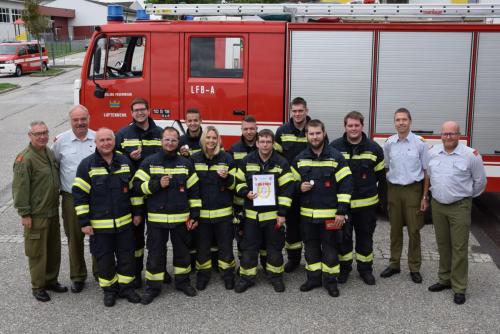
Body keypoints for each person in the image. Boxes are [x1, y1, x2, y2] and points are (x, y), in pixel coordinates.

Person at [73, 128, 142, 307]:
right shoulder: (86, 165)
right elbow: (80, 195)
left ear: (114, 141)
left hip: (125, 223)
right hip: (100, 226)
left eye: (109, 140)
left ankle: (126, 287)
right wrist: (84, 222)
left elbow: (134, 190)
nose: (106, 143)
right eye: (101, 140)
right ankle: (109, 290)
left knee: (127, 256)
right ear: (95, 143)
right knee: (104, 259)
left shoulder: (125, 162)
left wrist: (137, 213)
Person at [133, 127, 201, 304]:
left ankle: (183, 282)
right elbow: (137, 186)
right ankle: (153, 287)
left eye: (173, 140)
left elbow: (194, 192)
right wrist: (156, 184)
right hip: (157, 220)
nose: (170, 143)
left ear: (178, 142)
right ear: (161, 141)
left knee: (182, 253)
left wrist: (194, 215)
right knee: (155, 255)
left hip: (181, 220)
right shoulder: (150, 162)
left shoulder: (186, 164)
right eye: (167, 140)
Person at [426, 121, 486, 305]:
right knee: (443, 244)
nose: (448, 137)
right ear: (441, 135)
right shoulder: (432, 152)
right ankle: (444, 279)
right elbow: (429, 175)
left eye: (452, 134)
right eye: (445, 134)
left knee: (459, 247)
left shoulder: (471, 155)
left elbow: (480, 182)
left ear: (459, 135)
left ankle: (459, 287)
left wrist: (466, 198)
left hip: (460, 206)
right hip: (438, 205)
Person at [292, 119, 353, 297]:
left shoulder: (336, 157)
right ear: (306, 136)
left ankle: (330, 282)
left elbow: (346, 184)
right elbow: (289, 183)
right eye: (311, 133)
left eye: (318, 133)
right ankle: (313, 279)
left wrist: (341, 211)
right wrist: (298, 187)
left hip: (330, 217)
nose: (315, 136)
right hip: (307, 217)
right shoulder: (300, 159)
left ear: (324, 133)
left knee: (330, 250)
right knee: (310, 249)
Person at [13, 121, 67, 302]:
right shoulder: (25, 159)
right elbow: (20, 189)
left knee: (53, 249)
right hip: (36, 215)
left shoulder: (48, 152)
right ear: (30, 136)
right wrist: (25, 214)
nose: (42, 136)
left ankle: (51, 280)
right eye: (38, 134)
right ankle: (38, 286)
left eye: (45, 132)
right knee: (37, 253)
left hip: (51, 211)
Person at [234, 129, 294, 293]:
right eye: (262, 141)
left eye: (268, 141)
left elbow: (287, 190)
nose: (265, 145)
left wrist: (282, 214)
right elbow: (237, 182)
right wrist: (246, 191)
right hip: (251, 217)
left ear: (273, 143)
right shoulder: (247, 161)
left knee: (274, 248)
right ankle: (246, 277)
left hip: (273, 216)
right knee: (249, 247)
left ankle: (275, 277)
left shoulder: (281, 163)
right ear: (257, 143)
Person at [330, 111, 385, 285]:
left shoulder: (374, 148)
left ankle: (365, 269)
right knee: (343, 239)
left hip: (366, 206)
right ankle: (344, 268)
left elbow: (380, 177)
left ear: (362, 126)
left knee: (365, 238)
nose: (353, 129)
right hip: (343, 206)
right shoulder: (335, 147)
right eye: (350, 125)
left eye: (357, 125)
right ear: (345, 127)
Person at [115, 97, 165, 288]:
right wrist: (128, 157)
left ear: (149, 110)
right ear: (131, 113)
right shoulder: (123, 135)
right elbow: (114, 158)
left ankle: (159, 270)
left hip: (156, 193)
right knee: (134, 236)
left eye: (143, 109)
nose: (140, 113)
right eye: (136, 110)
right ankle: (135, 273)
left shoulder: (159, 133)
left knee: (157, 237)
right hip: (133, 194)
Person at [381, 108, 429, 284]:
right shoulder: (389, 143)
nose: (401, 123)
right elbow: (386, 168)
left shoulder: (420, 143)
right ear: (394, 123)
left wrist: (424, 197)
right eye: (397, 120)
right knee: (394, 230)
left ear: (410, 121)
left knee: (414, 230)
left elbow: (426, 172)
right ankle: (394, 264)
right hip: (394, 189)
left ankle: (414, 267)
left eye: (404, 120)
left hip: (413, 190)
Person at [51, 105, 95, 293]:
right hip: (71, 197)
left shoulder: (97, 138)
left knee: (98, 236)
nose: (80, 123)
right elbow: (54, 165)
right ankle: (78, 276)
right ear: (70, 121)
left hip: (96, 196)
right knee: (74, 238)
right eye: (76, 120)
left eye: (83, 119)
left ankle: (101, 272)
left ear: (89, 118)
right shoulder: (61, 141)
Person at [192, 126, 237, 290]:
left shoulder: (227, 158)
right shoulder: (194, 159)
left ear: (218, 140)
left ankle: (228, 275)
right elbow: (191, 187)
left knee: (225, 247)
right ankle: (203, 275)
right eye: (208, 137)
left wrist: (228, 178)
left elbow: (236, 184)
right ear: (203, 139)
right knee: (202, 248)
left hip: (223, 213)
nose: (211, 141)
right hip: (202, 215)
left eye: (214, 138)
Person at [274, 97, 310, 273]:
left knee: (311, 225)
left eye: (300, 111)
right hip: (290, 187)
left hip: (311, 187)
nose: (297, 114)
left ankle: (312, 259)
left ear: (306, 111)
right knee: (292, 226)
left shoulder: (314, 129)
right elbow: (277, 158)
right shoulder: (282, 131)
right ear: (290, 112)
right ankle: (294, 259)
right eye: (294, 111)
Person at [228, 116, 260, 263]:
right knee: (241, 235)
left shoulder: (265, 145)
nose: (249, 132)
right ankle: (244, 265)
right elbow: (233, 177)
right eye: (246, 129)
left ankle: (267, 266)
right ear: (241, 130)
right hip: (241, 201)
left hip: (263, 201)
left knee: (263, 236)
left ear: (256, 129)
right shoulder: (234, 149)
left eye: (252, 128)